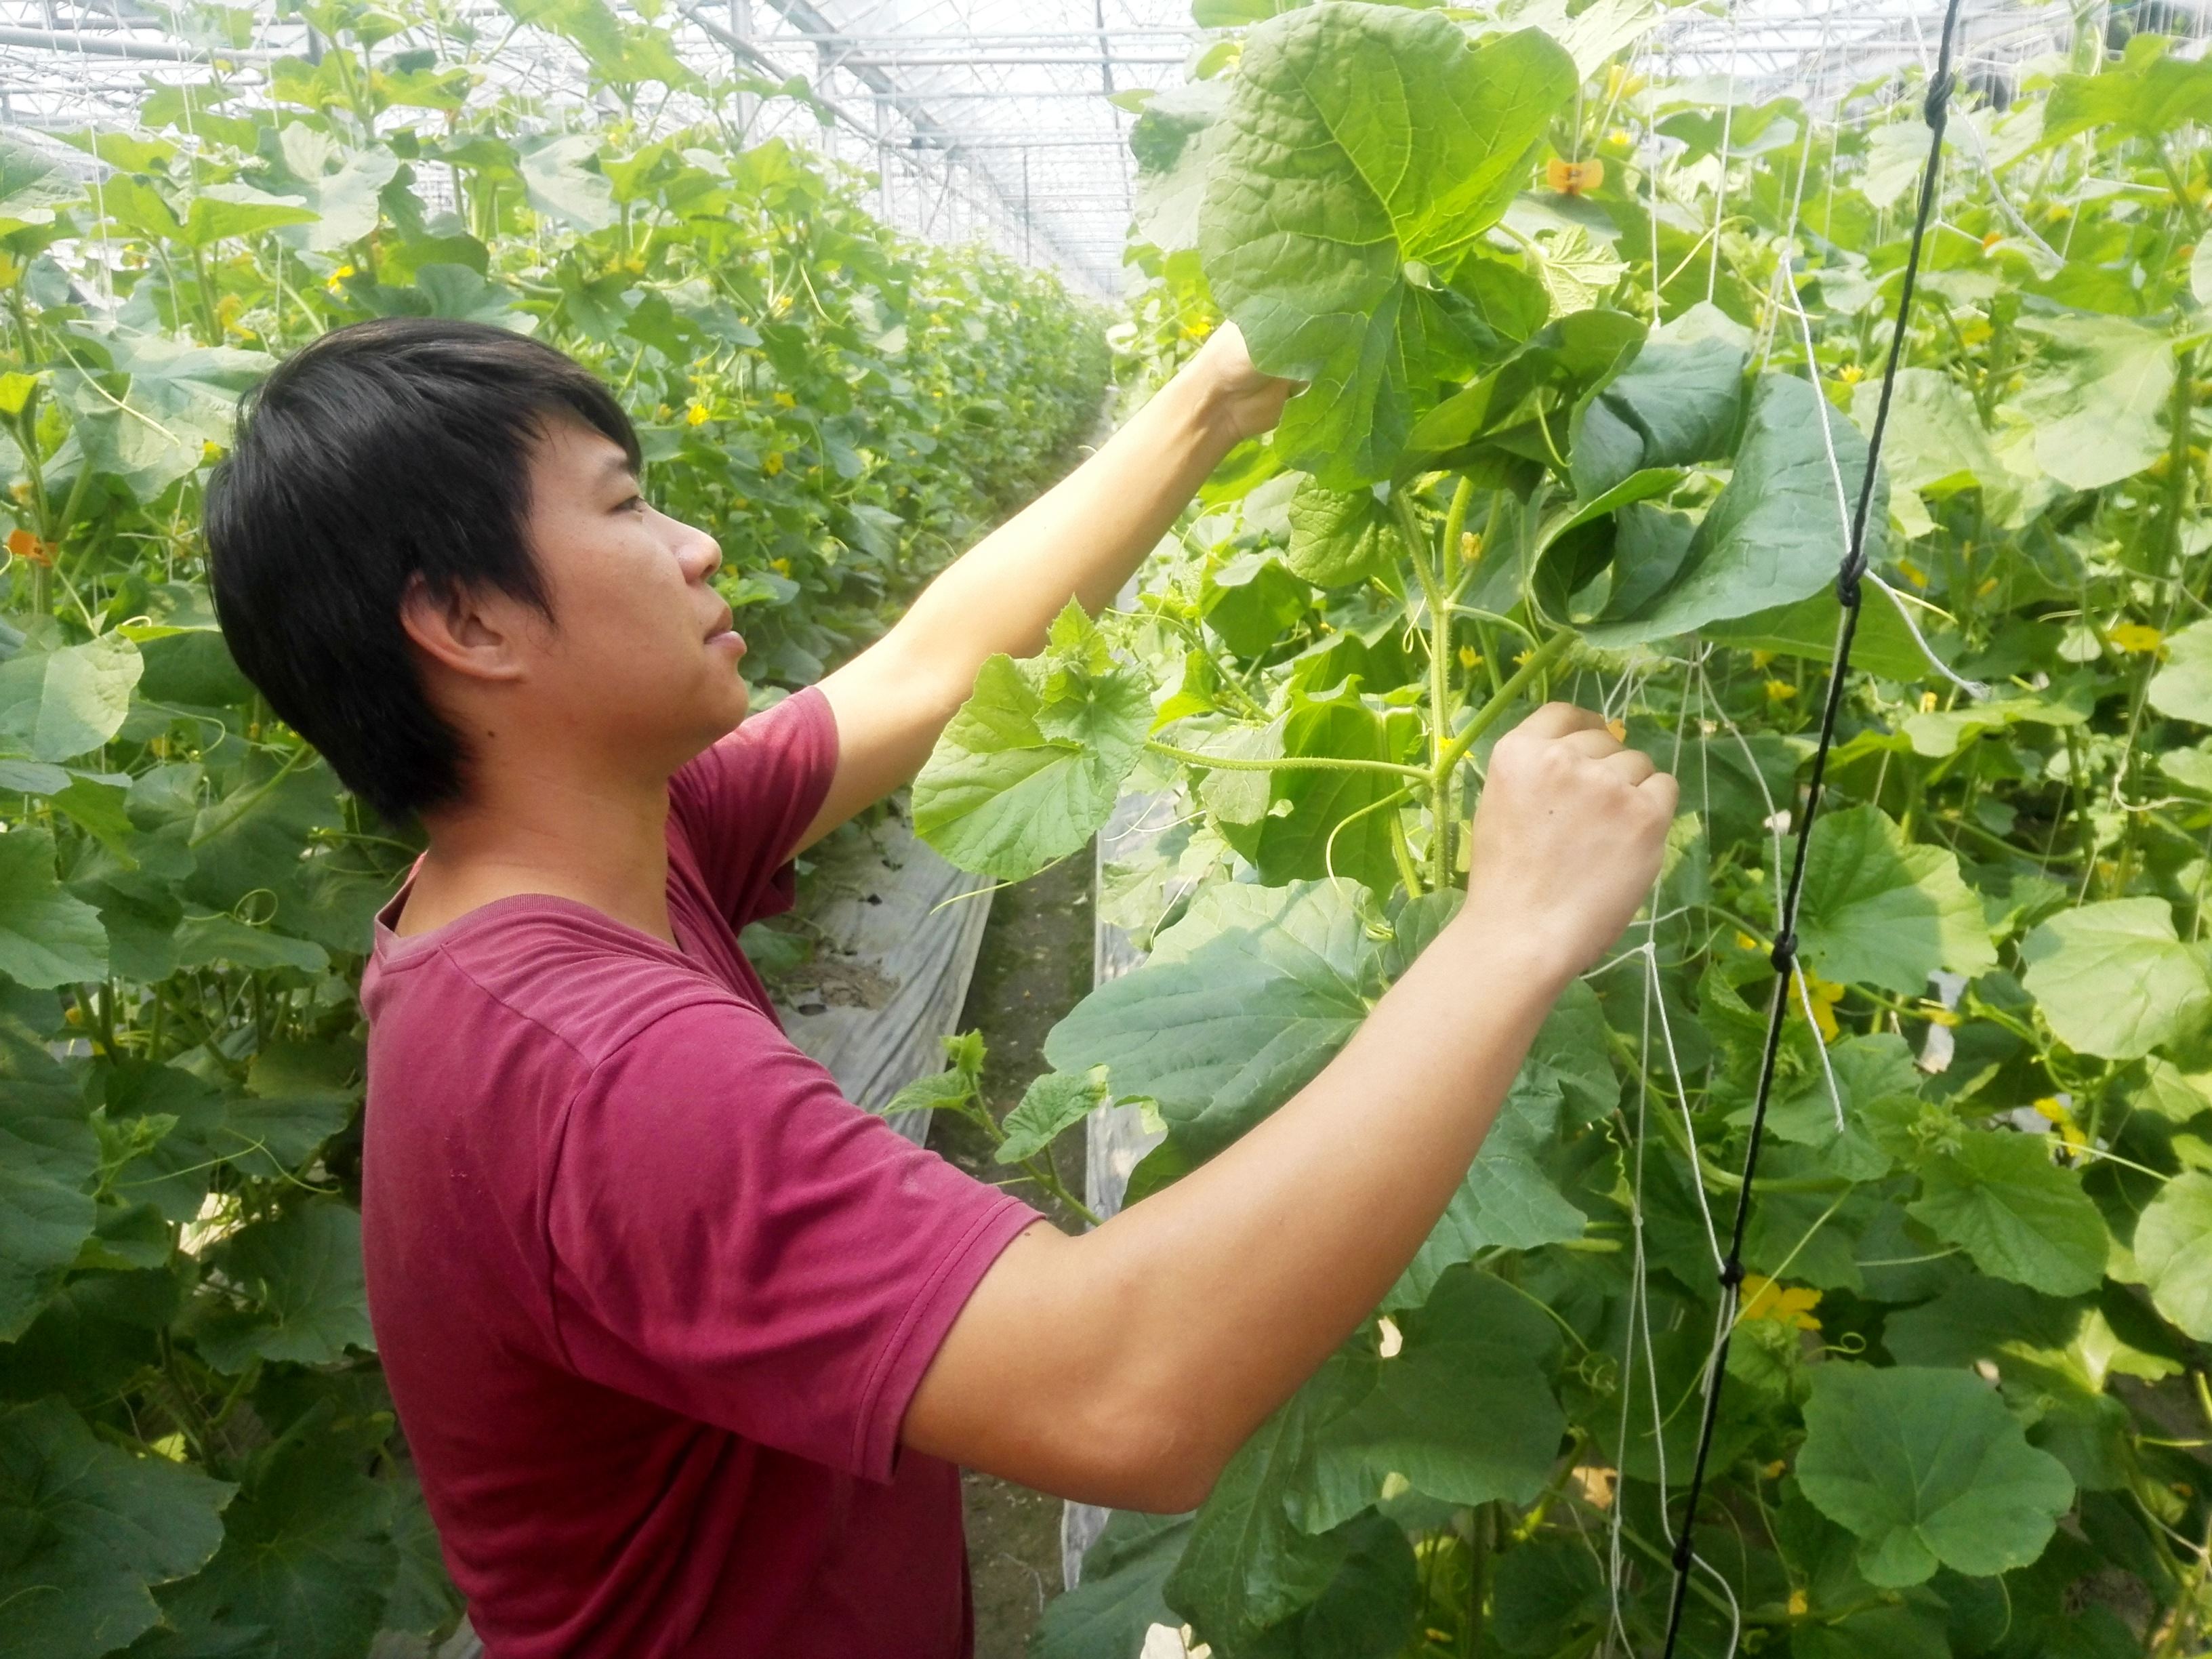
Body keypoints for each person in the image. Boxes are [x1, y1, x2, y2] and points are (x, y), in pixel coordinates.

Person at [205, 314, 1676, 1658]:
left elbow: (931, 668)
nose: (698, 542)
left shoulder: (600, 856)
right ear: (467, 626)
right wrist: (1513, 929)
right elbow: (1124, 1389)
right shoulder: (597, 1073)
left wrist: (1208, 402)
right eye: (623, 504)